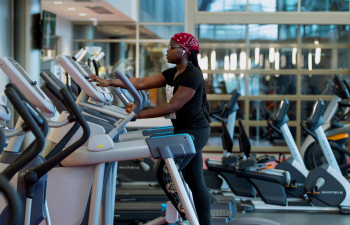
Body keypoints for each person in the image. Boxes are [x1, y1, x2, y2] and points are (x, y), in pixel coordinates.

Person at [89, 32, 211, 225]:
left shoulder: (192, 75)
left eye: (172, 47)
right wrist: (108, 82)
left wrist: (140, 114)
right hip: (185, 131)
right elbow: (142, 83)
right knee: (195, 182)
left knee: (165, 173)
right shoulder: (175, 72)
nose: (167, 51)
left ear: (185, 51)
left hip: (195, 132)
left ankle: (190, 218)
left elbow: (174, 106)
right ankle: (201, 221)